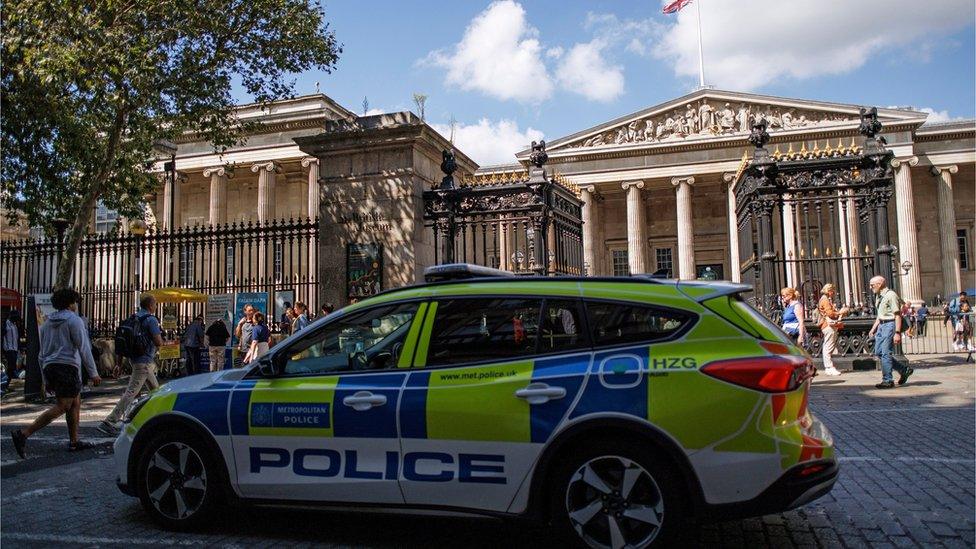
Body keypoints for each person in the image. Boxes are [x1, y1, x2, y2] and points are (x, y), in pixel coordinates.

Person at [10, 288, 101, 457]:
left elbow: (41, 354)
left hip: (51, 366)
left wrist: (45, 377)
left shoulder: (46, 323)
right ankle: (24, 434)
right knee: (63, 405)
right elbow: (84, 347)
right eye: (74, 302)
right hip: (67, 366)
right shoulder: (74, 321)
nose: (76, 305)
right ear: (70, 303)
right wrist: (93, 372)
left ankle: (74, 441)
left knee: (75, 403)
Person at [98, 294, 163, 435]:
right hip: (144, 361)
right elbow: (158, 342)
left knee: (156, 392)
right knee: (131, 392)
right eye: (155, 304)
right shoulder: (151, 320)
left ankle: (154, 418)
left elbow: (122, 342)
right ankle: (110, 421)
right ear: (151, 306)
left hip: (135, 360)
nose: (156, 307)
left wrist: (119, 364)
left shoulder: (132, 319)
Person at [867, 276, 913, 389]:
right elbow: (880, 314)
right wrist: (873, 328)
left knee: (886, 353)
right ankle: (904, 369)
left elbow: (898, 315)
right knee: (879, 352)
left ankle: (887, 380)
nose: (870, 287)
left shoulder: (891, 295)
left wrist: (897, 333)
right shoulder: (879, 295)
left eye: (872, 285)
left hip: (890, 324)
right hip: (882, 325)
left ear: (880, 284)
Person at [817, 284, 849, 376]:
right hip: (828, 326)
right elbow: (830, 314)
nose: (833, 293)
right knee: (828, 346)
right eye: (832, 291)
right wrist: (840, 312)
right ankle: (829, 367)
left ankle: (829, 367)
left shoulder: (824, 299)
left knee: (828, 346)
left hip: (826, 325)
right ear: (829, 290)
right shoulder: (825, 300)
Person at [3, 310, 21, 382]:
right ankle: (5, 382)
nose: (16, 319)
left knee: (12, 367)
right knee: (11, 366)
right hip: (8, 348)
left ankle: (7, 383)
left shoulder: (14, 325)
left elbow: (17, 337)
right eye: (16, 317)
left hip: (14, 348)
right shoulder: (5, 324)